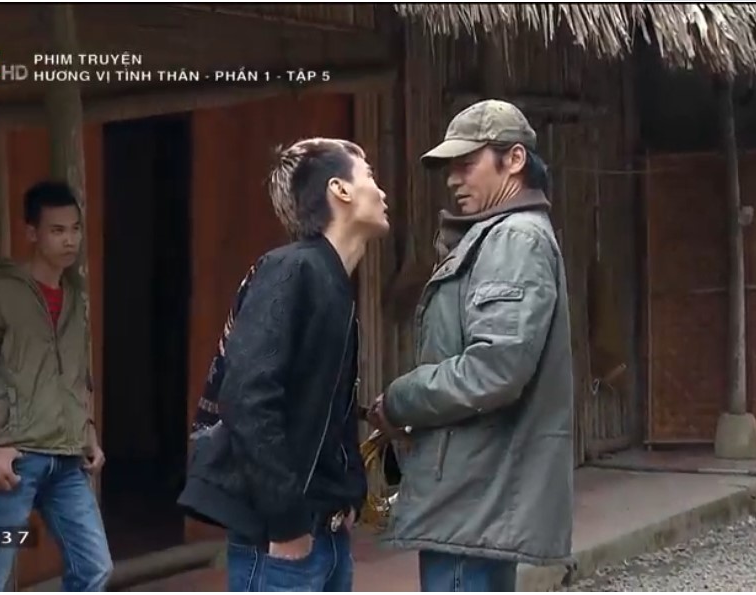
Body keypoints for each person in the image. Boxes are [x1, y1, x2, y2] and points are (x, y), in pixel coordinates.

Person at [368, 99, 576, 592]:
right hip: (474, 496)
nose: (453, 180)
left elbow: (495, 368)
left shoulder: (514, 239)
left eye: (467, 164)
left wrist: (401, 398)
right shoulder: (499, 235)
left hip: (473, 497)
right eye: (450, 168)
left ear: (515, 159)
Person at [178, 138, 390, 592]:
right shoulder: (291, 270)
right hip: (283, 542)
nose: (382, 190)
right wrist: (286, 519)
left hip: (325, 532)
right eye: (369, 176)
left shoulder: (332, 280)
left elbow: (326, 412)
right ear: (340, 190)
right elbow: (247, 397)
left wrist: (348, 490)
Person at [0, 181, 113, 591]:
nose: (69, 240)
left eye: (75, 229)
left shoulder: (75, 298)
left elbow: (75, 375)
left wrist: (88, 432)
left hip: (67, 460)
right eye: (57, 230)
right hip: (12, 461)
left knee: (95, 567)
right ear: (31, 233)